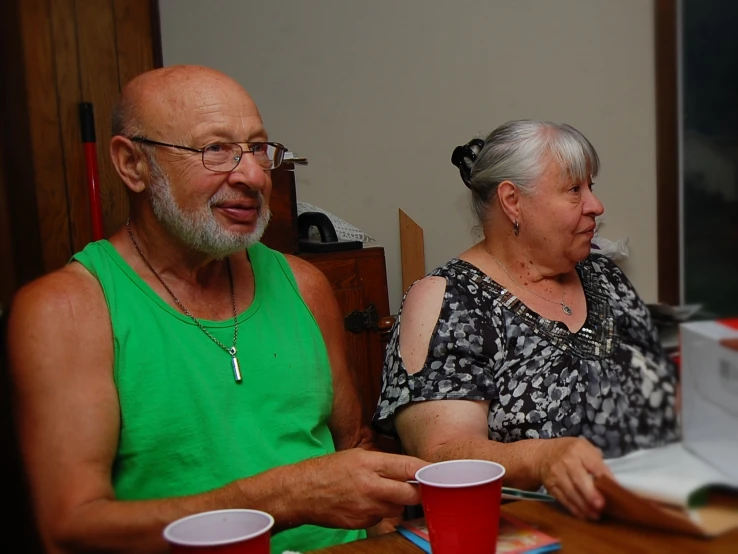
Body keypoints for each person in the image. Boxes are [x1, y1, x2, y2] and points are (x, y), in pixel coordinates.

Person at [7, 65, 425, 554]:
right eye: (215, 150)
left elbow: (354, 444)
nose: (251, 175)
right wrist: (280, 501)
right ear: (132, 165)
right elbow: (71, 529)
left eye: (257, 148)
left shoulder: (304, 285)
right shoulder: (67, 310)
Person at [373, 120, 679, 522]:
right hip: (518, 533)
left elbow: (664, 398)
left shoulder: (604, 277)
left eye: (591, 186)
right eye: (574, 190)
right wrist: (543, 458)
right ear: (513, 202)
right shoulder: (448, 299)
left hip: (648, 518)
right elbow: (441, 454)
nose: (595, 205)